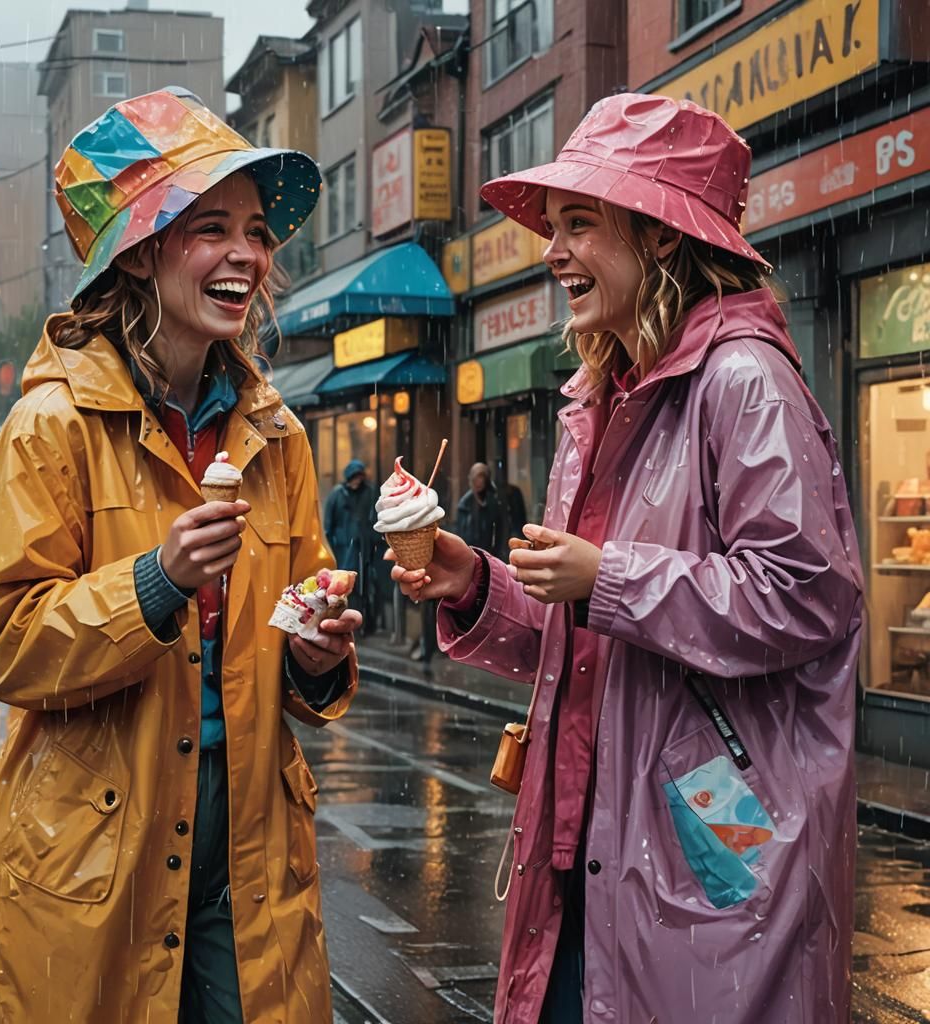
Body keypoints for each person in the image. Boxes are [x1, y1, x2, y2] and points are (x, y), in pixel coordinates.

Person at [390, 93, 863, 1022]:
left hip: (713, 829)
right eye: (552, 226)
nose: (551, 250)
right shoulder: (599, 394)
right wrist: (478, 584)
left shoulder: (744, 381)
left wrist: (604, 577)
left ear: (657, 239)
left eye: (578, 223)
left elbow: (809, 596)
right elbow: (593, 640)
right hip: (587, 842)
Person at [0, 87, 359, 1023]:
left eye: (257, 232)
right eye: (210, 226)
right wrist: (157, 581)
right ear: (140, 255)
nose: (247, 256)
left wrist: (318, 656)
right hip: (93, 853)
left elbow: (305, 638)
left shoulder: (279, 437)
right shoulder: (50, 426)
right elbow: (6, 643)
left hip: (253, 851)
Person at [323, 459, 380, 629]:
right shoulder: (337, 494)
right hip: (342, 548)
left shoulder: (369, 492)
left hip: (364, 547)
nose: (357, 480)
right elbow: (328, 524)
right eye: (354, 477)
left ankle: (366, 624)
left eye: (359, 476)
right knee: (344, 587)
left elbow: (376, 517)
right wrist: (332, 547)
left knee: (365, 585)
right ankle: (346, 621)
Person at [455, 462, 507, 559]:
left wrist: (497, 552)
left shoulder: (493, 503)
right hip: (469, 555)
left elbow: (500, 531)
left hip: (490, 555)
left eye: (482, 477)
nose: (479, 481)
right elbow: (460, 534)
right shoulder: (464, 504)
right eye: (476, 478)